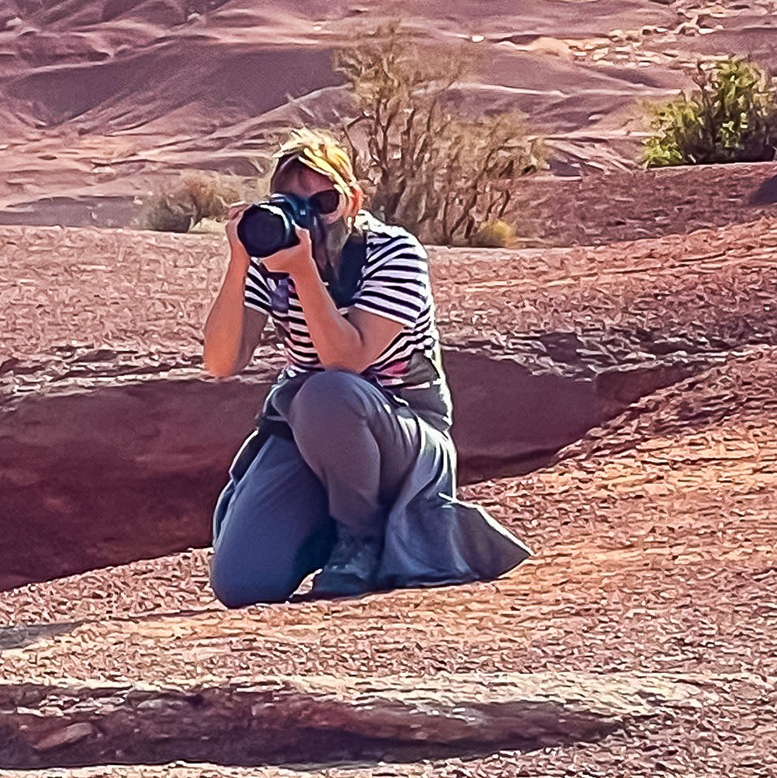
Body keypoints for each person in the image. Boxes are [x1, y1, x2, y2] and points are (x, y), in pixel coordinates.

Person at [199, 132, 529, 607]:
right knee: (243, 585)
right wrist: (240, 262)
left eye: (325, 201)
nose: (309, 214)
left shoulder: (393, 252)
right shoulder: (272, 257)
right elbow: (220, 362)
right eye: (291, 202)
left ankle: (362, 538)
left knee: (325, 392)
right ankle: (330, 529)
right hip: (313, 433)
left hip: (403, 430)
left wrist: (304, 273)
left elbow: (346, 360)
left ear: (353, 199)